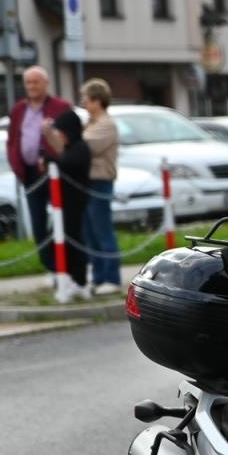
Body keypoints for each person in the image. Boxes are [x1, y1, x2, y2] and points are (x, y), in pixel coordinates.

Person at [5, 66, 72, 286]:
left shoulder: (59, 107)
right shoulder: (18, 110)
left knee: (63, 219)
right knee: (38, 222)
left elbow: (69, 137)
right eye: (28, 83)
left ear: (46, 84)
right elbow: (12, 139)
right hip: (30, 173)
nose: (32, 87)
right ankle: (49, 266)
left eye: (36, 82)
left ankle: (67, 265)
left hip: (54, 172)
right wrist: (16, 163)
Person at [41, 108, 91, 299]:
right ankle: (71, 278)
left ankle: (80, 280)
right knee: (64, 241)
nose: (59, 136)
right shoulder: (72, 148)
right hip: (65, 204)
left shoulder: (79, 149)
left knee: (73, 242)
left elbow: (65, 163)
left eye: (61, 132)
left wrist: (48, 159)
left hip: (74, 203)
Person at [79, 78, 123, 295]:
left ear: (97, 100)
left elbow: (85, 147)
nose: (83, 102)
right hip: (87, 181)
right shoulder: (91, 122)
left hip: (100, 181)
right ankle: (97, 276)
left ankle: (112, 277)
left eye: (86, 98)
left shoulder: (106, 124)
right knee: (90, 232)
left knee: (102, 230)